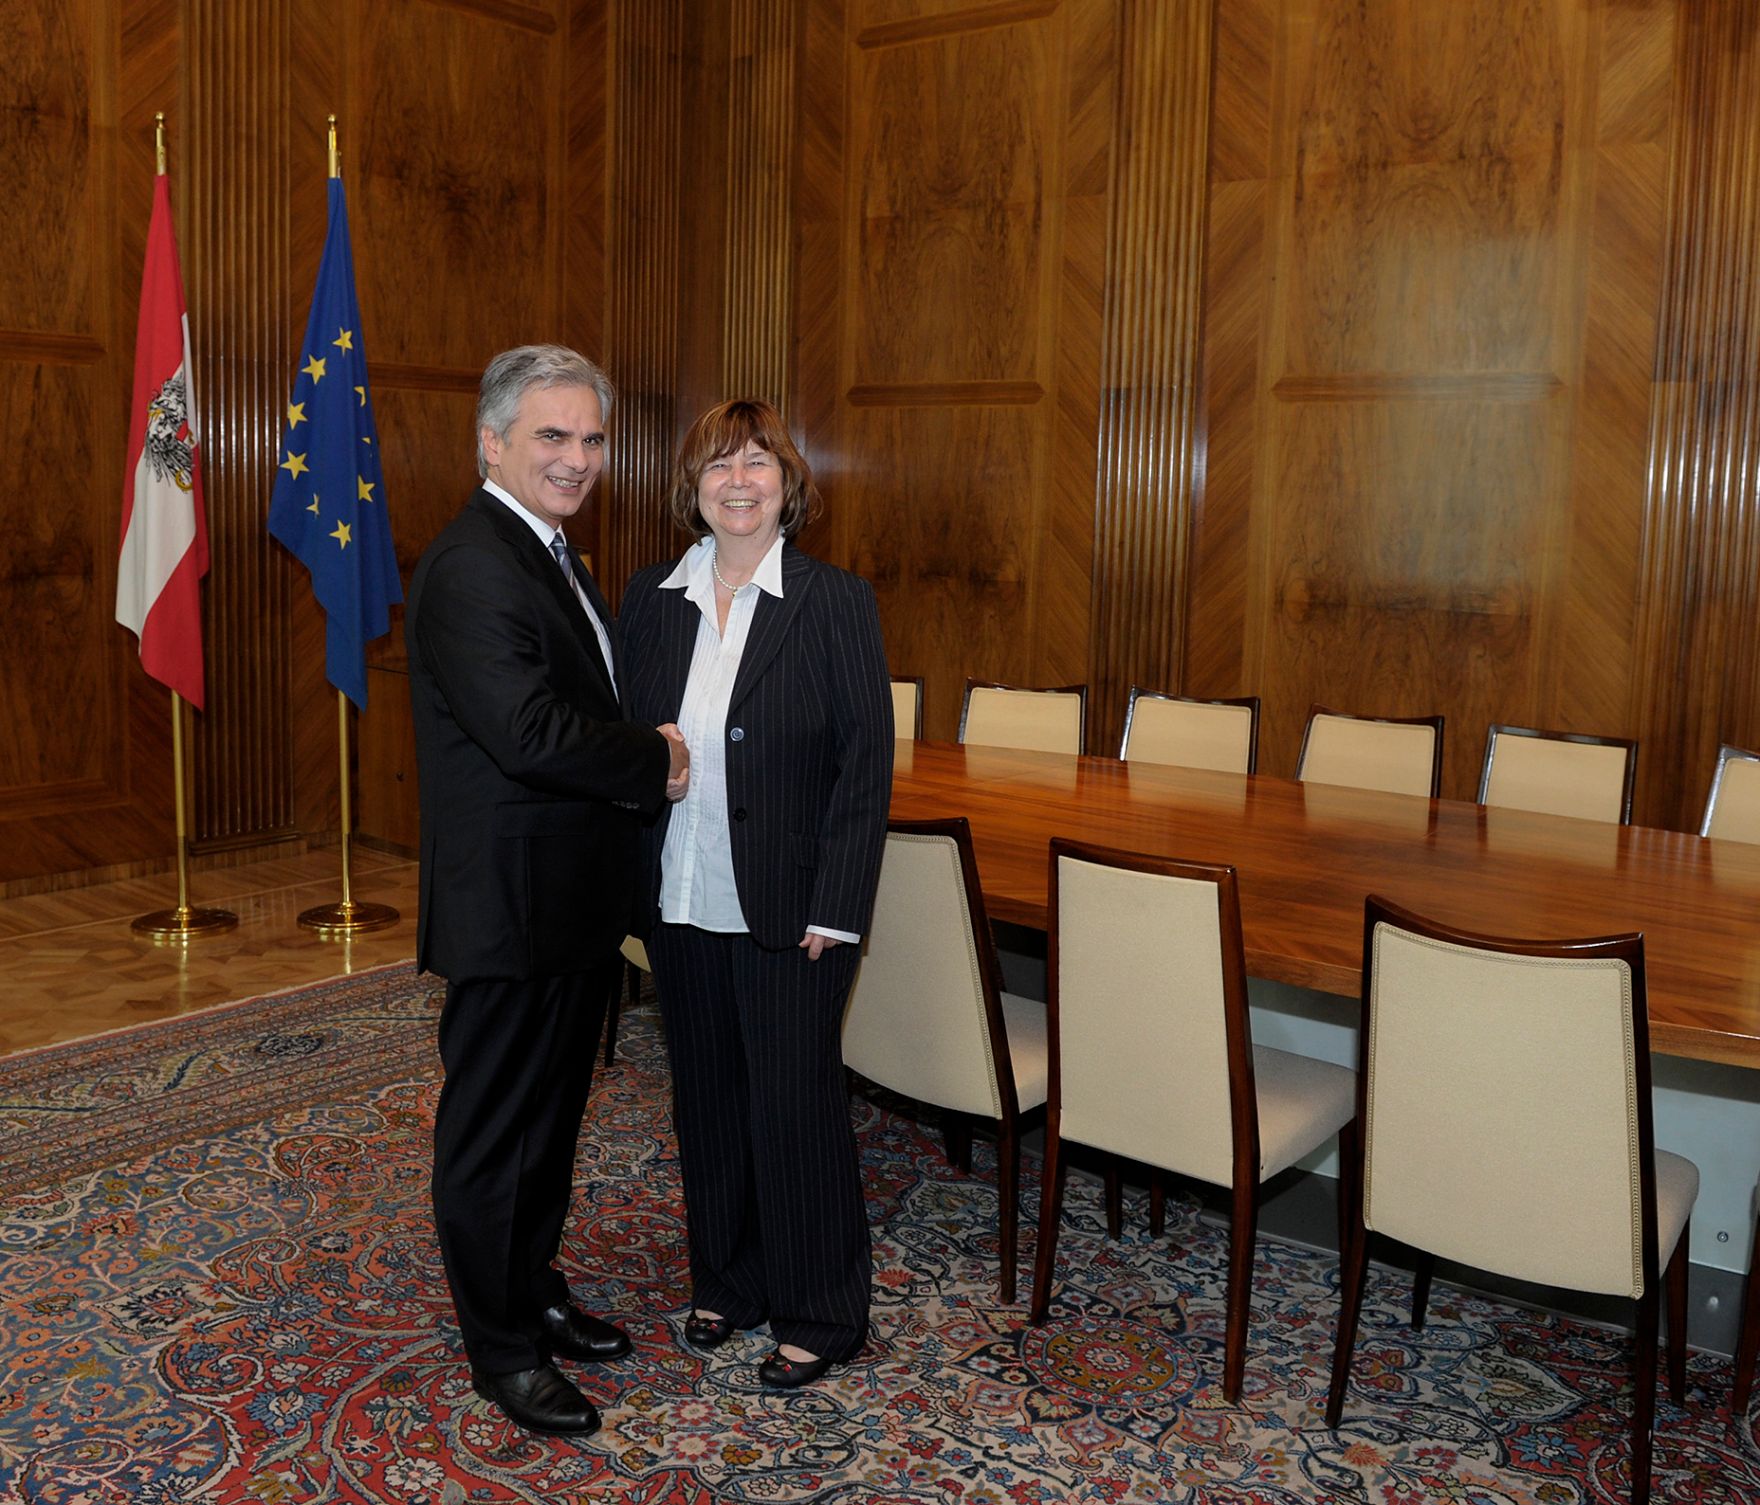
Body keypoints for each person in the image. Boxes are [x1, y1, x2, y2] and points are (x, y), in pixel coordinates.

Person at [405, 344, 689, 1436]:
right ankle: (503, 1349)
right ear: (491, 442)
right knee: (494, 1135)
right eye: (552, 436)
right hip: (509, 908)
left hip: (568, 902)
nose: (577, 458)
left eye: (592, 438)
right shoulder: (474, 562)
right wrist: (655, 758)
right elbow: (527, 732)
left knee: (550, 1123)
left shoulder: (547, 548)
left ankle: (533, 1289)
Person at [620, 398, 893, 1389]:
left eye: (756, 462)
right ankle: (728, 1281)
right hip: (681, 895)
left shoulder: (833, 601)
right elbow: (624, 735)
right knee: (707, 1101)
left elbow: (865, 765)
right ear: (691, 487)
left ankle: (821, 1308)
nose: (737, 481)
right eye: (717, 464)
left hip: (793, 908)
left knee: (794, 1108)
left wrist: (839, 905)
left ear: (787, 483)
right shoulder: (651, 596)